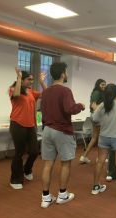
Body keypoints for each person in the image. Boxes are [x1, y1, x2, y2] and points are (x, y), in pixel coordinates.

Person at [40, 62, 85, 208]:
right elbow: (70, 109)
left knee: (48, 164)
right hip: (62, 131)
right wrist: (81, 106)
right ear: (62, 74)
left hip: (46, 131)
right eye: (66, 71)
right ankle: (62, 195)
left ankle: (46, 198)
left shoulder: (45, 92)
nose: (67, 74)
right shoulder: (65, 91)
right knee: (65, 163)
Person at [9, 68, 47, 190]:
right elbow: (16, 94)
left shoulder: (30, 91)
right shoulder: (13, 89)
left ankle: (27, 170)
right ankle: (15, 179)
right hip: (17, 124)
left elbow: (47, 93)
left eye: (32, 79)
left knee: (34, 151)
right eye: (29, 79)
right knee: (19, 153)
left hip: (31, 125)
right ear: (22, 79)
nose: (31, 81)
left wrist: (41, 82)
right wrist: (19, 78)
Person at [80, 79, 106, 164]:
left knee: (95, 138)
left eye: (105, 84)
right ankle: (99, 158)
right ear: (98, 85)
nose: (104, 86)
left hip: (96, 116)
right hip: (97, 117)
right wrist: (101, 108)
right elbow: (93, 105)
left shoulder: (100, 93)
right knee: (98, 138)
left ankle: (84, 156)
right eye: (102, 84)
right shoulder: (96, 92)